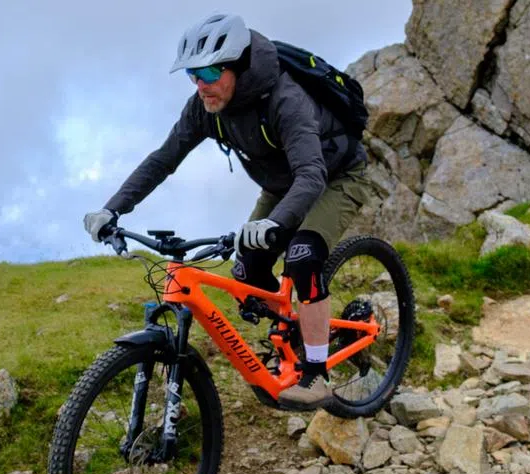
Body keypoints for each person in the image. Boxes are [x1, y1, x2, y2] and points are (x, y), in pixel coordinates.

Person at [82, 13, 373, 410]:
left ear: (236, 66)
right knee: (249, 267)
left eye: (208, 72)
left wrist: (275, 223)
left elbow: (311, 174)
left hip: (337, 175)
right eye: (191, 75)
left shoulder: (286, 100)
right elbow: (163, 160)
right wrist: (111, 209)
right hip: (282, 184)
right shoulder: (205, 106)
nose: (200, 85)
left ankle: (316, 373)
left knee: (304, 256)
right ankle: (294, 334)